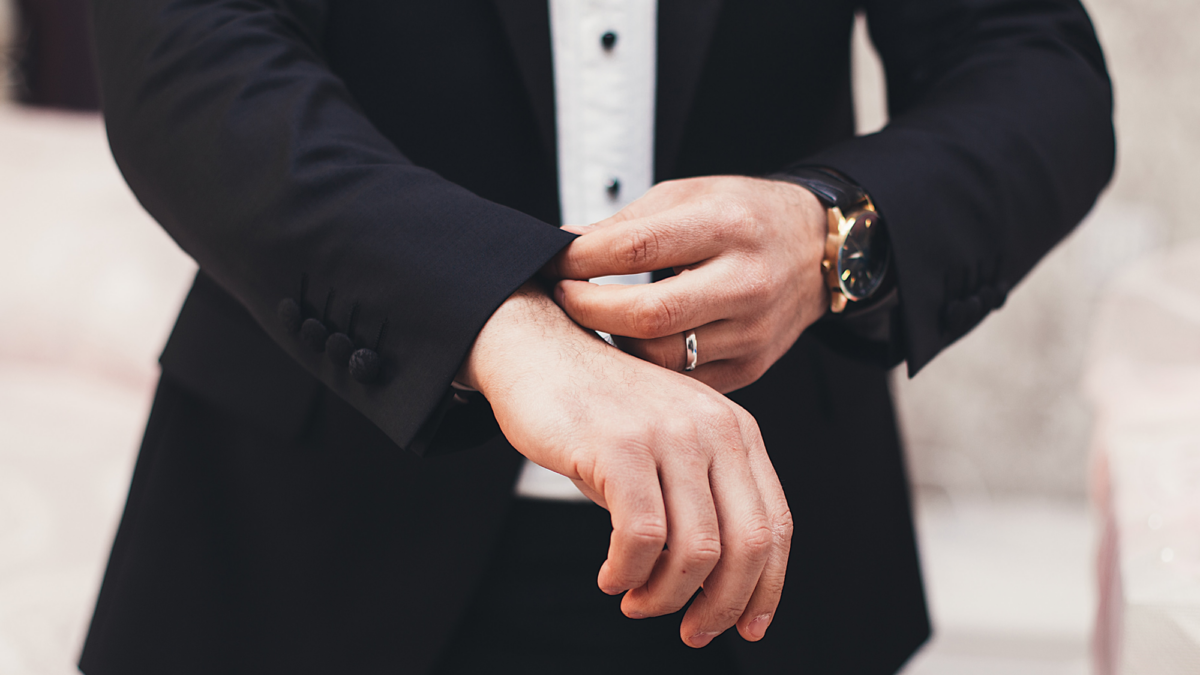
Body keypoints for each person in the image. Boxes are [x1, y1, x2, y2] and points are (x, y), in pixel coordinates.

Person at [80, 1, 1114, 673]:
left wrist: (832, 233)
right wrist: (490, 313)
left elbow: (1032, 64)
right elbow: (190, 54)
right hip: (298, 537)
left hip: (767, 552)